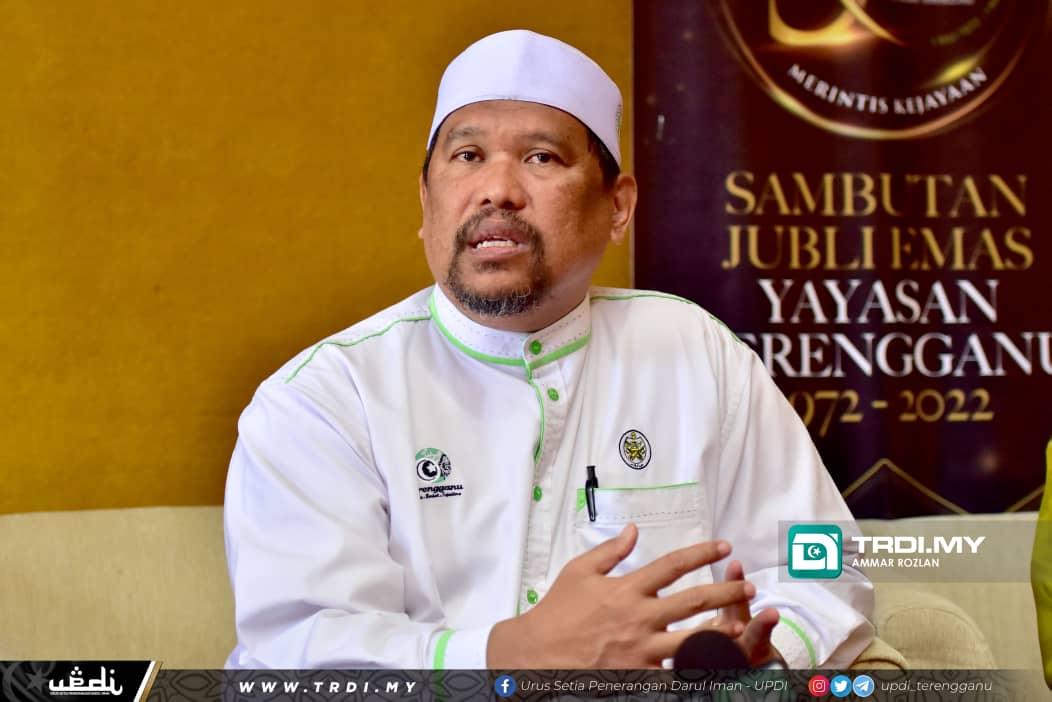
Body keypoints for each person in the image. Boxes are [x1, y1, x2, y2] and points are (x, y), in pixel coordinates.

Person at [224, 29, 874, 670]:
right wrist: (507, 656)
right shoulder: (325, 399)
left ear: (617, 208)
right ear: (426, 201)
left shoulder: (697, 354)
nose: (497, 189)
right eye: (468, 155)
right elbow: (302, 652)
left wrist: (765, 657)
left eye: (541, 158)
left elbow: (822, 564)